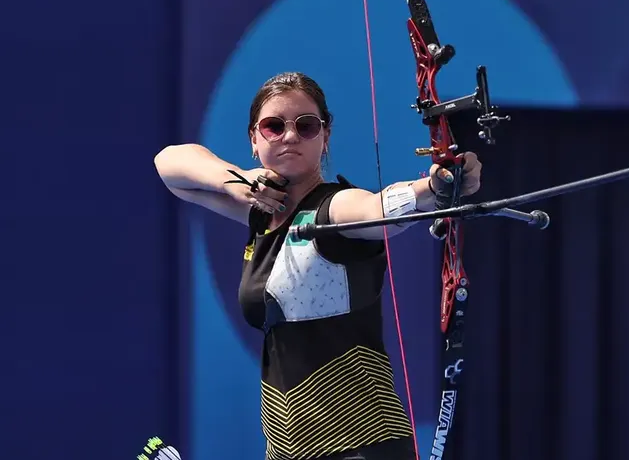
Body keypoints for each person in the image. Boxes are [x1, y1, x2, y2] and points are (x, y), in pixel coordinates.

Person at [154, 71, 483, 460]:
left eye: (306, 126)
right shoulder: (261, 215)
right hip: (291, 448)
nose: (290, 136)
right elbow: (170, 166)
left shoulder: (335, 207)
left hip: (361, 444)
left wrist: (435, 186)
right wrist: (237, 181)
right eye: (274, 126)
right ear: (254, 139)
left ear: (325, 135)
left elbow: (376, 209)